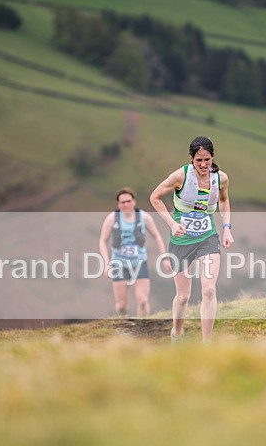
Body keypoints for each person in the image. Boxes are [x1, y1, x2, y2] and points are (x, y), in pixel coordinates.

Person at [150, 136, 233, 343]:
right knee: (183, 296)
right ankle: (177, 333)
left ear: (213, 157)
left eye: (207, 160)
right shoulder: (180, 176)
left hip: (207, 237)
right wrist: (172, 224)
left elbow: (224, 200)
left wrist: (227, 228)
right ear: (191, 159)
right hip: (182, 240)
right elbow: (155, 197)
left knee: (209, 290)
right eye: (199, 160)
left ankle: (206, 344)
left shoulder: (221, 178)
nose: (203, 165)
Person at [98, 187, 171, 317]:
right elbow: (103, 240)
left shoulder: (144, 217)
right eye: (123, 202)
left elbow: (157, 236)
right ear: (118, 204)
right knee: (121, 305)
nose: (126, 204)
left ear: (134, 201)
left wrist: (164, 258)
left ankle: (143, 325)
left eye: (129, 201)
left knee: (142, 301)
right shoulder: (111, 219)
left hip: (139, 262)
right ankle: (124, 323)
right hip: (119, 263)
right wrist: (106, 263)